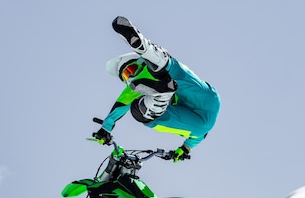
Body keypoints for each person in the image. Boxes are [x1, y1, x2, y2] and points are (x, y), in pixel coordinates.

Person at [92, 16, 221, 162]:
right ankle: (146, 48)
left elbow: (120, 105)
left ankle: (159, 85)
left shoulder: (137, 84)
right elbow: (198, 137)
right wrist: (184, 149)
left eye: (130, 69)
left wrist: (106, 128)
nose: (131, 75)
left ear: (137, 62)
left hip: (196, 117)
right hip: (208, 101)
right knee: (170, 67)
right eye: (127, 76)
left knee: (141, 112)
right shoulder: (139, 82)